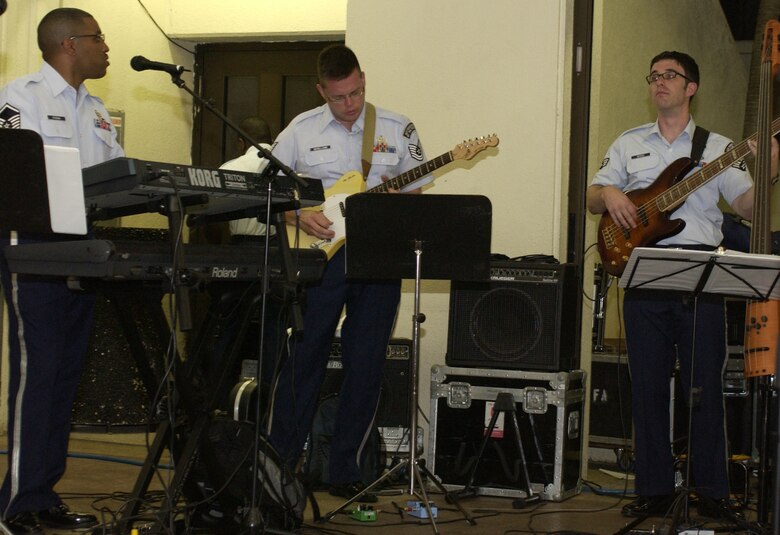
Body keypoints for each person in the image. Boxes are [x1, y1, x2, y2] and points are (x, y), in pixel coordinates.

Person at [587, 51, 755, 520]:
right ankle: (655, 490)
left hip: (703, 272)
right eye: (654, 75)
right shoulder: (627, 143)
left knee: (705, 386)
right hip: (643, 270)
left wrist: (772, 165)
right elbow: (592, 196)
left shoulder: (720, 147)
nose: (659, 82)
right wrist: (610, 193)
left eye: (670, 76)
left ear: (690, 88)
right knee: (648, 386)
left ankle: (712, 490)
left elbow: (745, 207)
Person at [266, 44, 432, 502]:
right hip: (320, 259)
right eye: (339, 97)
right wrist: (298, 215)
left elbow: (417, 191)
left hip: (379, 257)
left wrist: (397, 206)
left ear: (362, 77)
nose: (350, 104)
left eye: (356, 92)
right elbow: (269, 192)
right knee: (305, 356)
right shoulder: (299, 130)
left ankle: (345, 469)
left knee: (367, 362)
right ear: (322, 91)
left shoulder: (397, 128)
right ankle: (278, 465)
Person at [0, 8, 123, 534]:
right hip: (34, 249)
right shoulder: (18, 97)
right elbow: (14, 174)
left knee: (65, 376)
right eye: (99, 38)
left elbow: (119, 174)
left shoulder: (95, 111)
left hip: (85, 249)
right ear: (70, 44)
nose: (106, 47)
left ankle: (42, 494)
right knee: (37, 373)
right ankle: (15, 506)